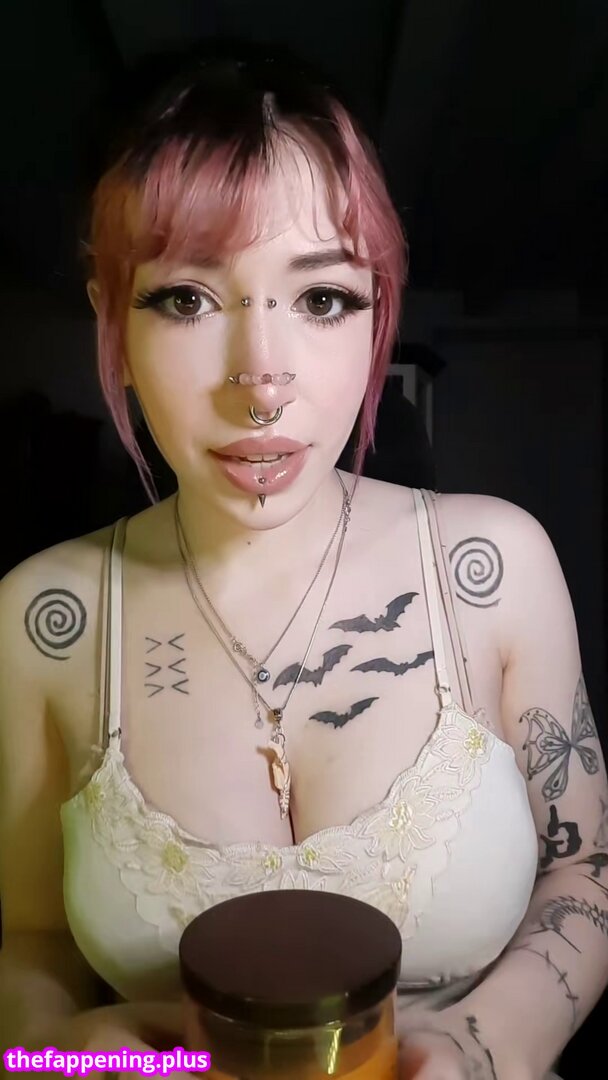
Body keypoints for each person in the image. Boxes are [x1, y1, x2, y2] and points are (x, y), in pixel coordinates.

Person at [1, 43, 607, 1080]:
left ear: (377, 316)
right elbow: (26, 944)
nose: (260, 383)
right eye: (186, 299)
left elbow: (585, 873)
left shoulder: (494, 567)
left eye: (322, 299)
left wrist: (480, 1048)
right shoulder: (43, 618)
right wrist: (65, 1053)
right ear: (112, 318)